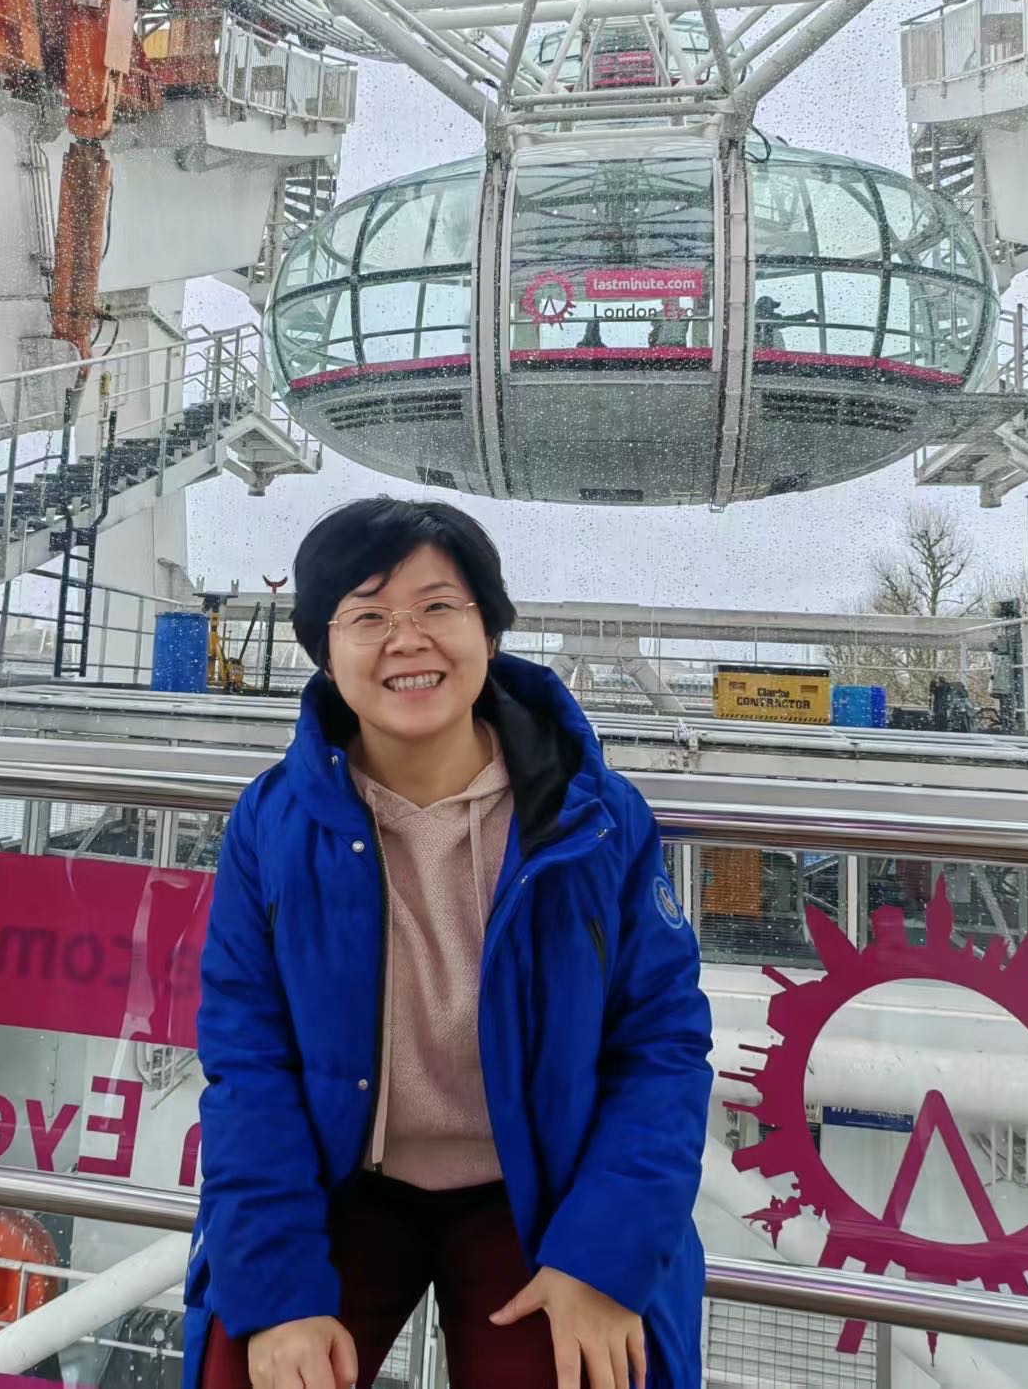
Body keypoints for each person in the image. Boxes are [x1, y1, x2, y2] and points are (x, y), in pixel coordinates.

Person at [183, 498, 713, 1389]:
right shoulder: (272, 826)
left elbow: (660, 1044)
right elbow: (248, 1060)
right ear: (324, 651)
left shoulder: (590, 819)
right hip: (341, 1179)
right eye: (367, 616)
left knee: (578, 1371)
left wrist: (601, 1259)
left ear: (488, 631)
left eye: (438, 606)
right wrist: (275, 1290)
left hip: (541, 1186)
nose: (407, 639)